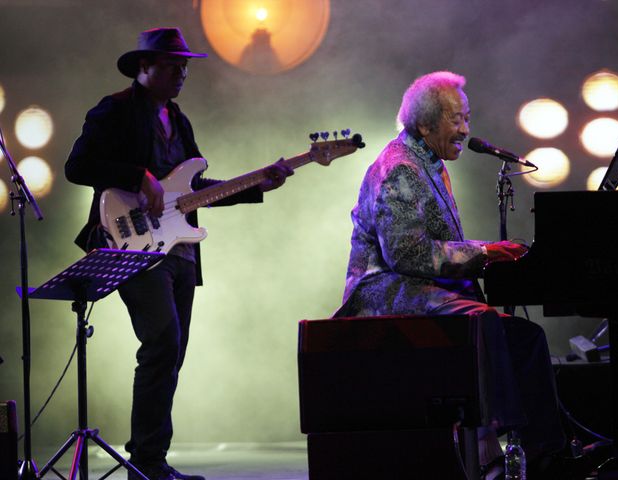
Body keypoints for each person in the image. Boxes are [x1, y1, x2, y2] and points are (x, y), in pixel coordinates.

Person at [65, 27, 292, 480]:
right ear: (144, 68)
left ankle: (151, 461)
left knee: (173, 352)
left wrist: (257, 185)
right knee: (162, 342)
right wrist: (138, 176)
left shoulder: (179, 120)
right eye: (172, 65)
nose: (182, 73)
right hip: (131, 245)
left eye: (184, 66)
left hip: (179, 252)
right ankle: (146, 464)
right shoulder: (114, 109)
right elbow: (78, 166)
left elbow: (193, 192)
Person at [334, 71, 565, 478]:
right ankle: (501, 445)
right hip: (383, 292)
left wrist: (489, 256)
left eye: (467, 118)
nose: (465, 130)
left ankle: (542, 448)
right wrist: (485, 252)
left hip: (418, 286)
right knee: (487, 324)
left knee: (526, 336)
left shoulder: (429, 162)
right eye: (456, 120)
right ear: (425, 124)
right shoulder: (400, 169)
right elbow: (406, 253)